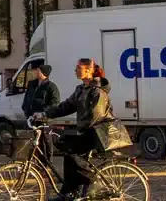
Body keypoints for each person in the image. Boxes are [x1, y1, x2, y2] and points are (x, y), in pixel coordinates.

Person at [42, 57, 120, 200]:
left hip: (99, 132)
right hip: (88, 131)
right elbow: (66, 106)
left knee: (72, 152)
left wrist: (82, 129)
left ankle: (95, 182)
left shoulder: (97, 90)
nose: (75, 70)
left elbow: (96, 115)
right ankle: (69, 192)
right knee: (68, 152)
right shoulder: (81, 89)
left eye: (78, 68)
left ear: (88, 70)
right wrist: (45, 114)